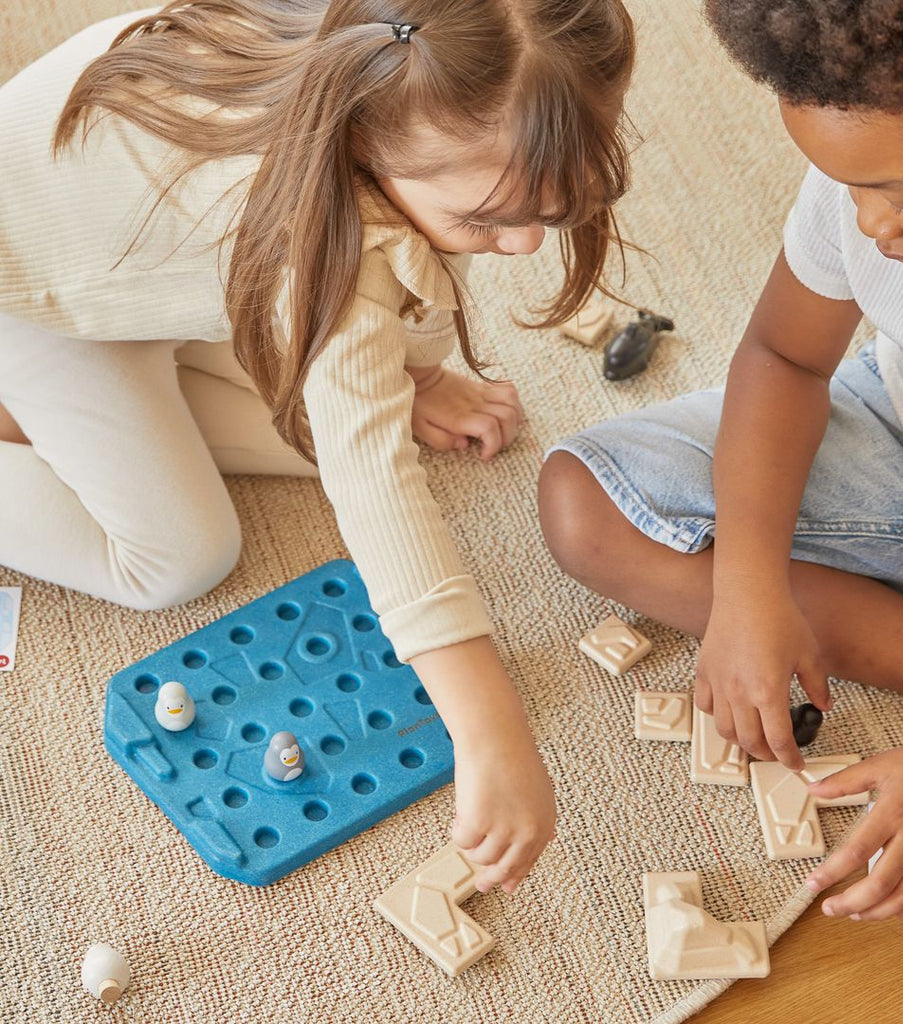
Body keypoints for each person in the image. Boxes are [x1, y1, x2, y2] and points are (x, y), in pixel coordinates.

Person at [0, 0, 637, 894]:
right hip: (33, 298)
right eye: (491, 217)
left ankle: (86, 403)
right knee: (181, 556)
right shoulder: (321, 251)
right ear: (374, 146)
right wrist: (489, 727)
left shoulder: (383, 50)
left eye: (548, 204)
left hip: (147, 260)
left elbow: (400, 296)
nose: (528, 241)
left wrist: (410, 378)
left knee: (335, 424)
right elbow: (377, 495)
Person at [539, 0, 903, 924]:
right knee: (582, 504)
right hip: (894, 433)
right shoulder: (863, 196)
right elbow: (785, 360)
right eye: (849, 188)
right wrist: (749, 592)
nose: (875, 224)